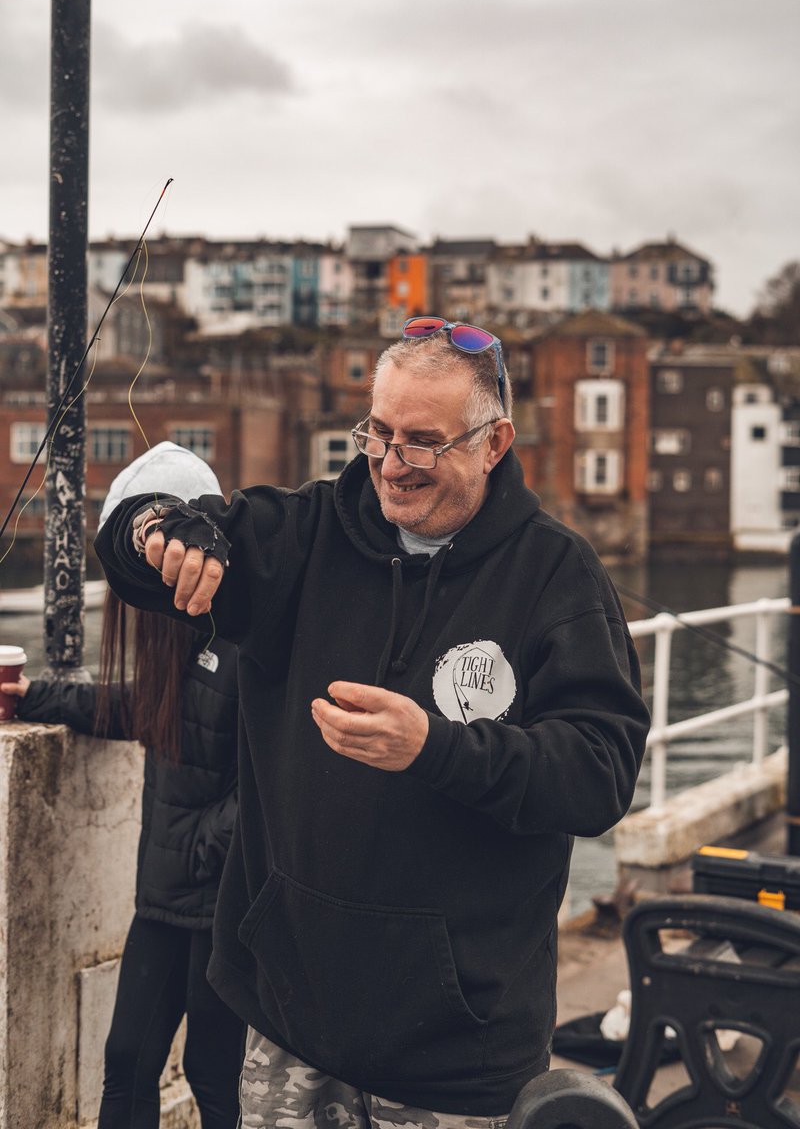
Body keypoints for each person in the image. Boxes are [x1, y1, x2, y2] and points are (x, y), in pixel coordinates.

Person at [94, 320, 651, 1129]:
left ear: (493, 444)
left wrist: (436, 748)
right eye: (379, 433)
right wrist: (157, 525)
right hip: (290, 1023)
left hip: (460, 1053)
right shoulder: (303, 534)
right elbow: (131, 550)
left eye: (423, 441)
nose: (391, 463)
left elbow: (599, 774)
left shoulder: (556, 575)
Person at [2, 442, 244, 1129]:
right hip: (163, 898)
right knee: (128, 1061)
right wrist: (33, 696)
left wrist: (203, 845)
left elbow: (286, 770)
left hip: (222, 902)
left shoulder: (244, 635)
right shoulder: (173, 639)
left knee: (215, 1075)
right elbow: (150, 708)